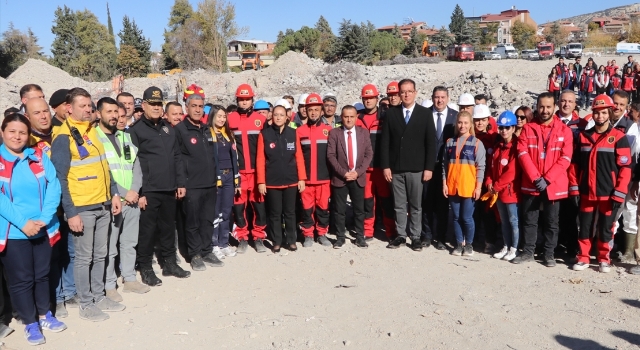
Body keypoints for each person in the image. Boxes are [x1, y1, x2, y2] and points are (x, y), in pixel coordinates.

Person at [50, 87, 124, 321]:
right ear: (69, 108)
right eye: (82, 105)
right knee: (83, 258)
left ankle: (99, 296)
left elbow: (104, 166)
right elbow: (60, 178)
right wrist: (71, 212)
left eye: (89, 105)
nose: (88, 109)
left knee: (100, 254)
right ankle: (85, 303)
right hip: (82, 207)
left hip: (102, 204)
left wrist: (113, 193)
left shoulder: (92, 131)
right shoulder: (63, 137)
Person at [0, 113, 67, 345]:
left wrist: (44, 217)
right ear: (2, 132)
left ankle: (44, 314)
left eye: (22, 132)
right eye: (12, 131)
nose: (17, 136)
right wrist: (24, 223)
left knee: (42, 275)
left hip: (42, 226)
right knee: (22, 279)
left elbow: (54, 185)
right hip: (14, 232)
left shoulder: (38, 155)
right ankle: (30, 322)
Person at [127, 86, 190, 287]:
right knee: (147, 231)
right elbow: (133, 164)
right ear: (143, 105)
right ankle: (145, 266)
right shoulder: (136, 130)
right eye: (152, 104)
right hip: (149, 190)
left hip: (169, 187)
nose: (156, 107)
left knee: (167, 228)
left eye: (158, 104)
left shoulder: (167, 128)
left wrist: (180, 182)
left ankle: (169, 263)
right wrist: (140, 192)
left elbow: (177, 156)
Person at [24, 98, 78, 318]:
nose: (43, 116)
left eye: (45, 111)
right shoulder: (26, 142)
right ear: (28, 117)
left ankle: (71, 290)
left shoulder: (62, 132)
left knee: (70, 252)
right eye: (37, 113)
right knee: (51, 258)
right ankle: (56, 297)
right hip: (45, 212)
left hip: (69, 203)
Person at [94, 97, 150, 301]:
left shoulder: (124, 136)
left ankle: (129, 278)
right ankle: (109, 284)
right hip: (112, 201)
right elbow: (104, 172)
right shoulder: (95, 138)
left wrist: (134, 190)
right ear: (98, 113)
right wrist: (123, 192)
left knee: (129, 242)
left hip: (132, 200)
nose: (114, 115)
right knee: (110, 247)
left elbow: (135, 165)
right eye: (109, 112)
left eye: (116, 112)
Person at [569, 95, 631, 273]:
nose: (600, 116)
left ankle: (604, 258)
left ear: (610, 113)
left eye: (604, 112)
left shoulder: (619, 137)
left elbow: (625, 167)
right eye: (597, 113)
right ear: (592, 114)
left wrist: (619, 192)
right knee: (585, 226)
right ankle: (583, 257)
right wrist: (574, 188)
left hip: (608, 193)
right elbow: (574, 165)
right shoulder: (583, 137)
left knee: (606, 227)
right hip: (587, 192)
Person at [512, 92, 573, 266]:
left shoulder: (565, 130)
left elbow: (566, 158)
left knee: (551, 222)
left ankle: (549, 254)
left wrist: (547, 179)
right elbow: (522, 153)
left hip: (554, 184)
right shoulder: (528, 128)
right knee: (530, 220)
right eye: (541, 107)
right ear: (536, 107)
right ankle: (528, 252)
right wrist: (535, 177)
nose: (544, 110)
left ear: (555, 107)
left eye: (548, 107)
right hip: (532, 183)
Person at [380, 78, 436, 251]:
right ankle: (400, 235)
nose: (406, 94)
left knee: (415, 205)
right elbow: (385, 142)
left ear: (415, 92)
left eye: (409, 91)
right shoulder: (391, 113)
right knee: (399, 204)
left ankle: (416, 236)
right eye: (402, 92)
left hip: (417, 168)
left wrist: (429, 168)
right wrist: (386, 166)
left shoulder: (425, 113)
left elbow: (430, 143)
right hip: (396, 168)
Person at [175, 94, 223, 271]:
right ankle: (194, 254)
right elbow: (177, 159)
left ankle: (207, 250)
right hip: (191, 184)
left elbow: (213, 156)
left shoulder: (206, 129)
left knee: (207, 220)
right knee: (192, 222)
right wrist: (181, 183)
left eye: (200, 106)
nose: (197, 109)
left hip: (209, 184)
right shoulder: (180, 130)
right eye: (194, 106)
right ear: (186, 108)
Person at [256, 105, 306, 252]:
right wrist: (261, 181)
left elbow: (299, 157)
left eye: (281, 115)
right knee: (275, 213)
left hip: (291, 180)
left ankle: (291, 240)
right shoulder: (264, 134)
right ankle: (277, 241)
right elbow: (260, 159)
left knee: (290, 212)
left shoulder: (293, 133)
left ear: (286, 117)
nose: (278, 117)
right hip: (272, 182)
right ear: (272, 116)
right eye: (276, 115)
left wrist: (302, 178)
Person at [227, 84, 268, 253]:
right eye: (241, 99)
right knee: (239, 206)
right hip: (238, 172)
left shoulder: (261, 120)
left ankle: (258, 237)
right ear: (237, 100)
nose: (244, 102)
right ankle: (242, 237)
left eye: (247, 99)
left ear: (252, 100)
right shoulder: (230, 119)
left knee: (259, 205)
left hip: (257, 172)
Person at [328, 105, 373, 248]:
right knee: (340, 210)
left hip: (357, 177)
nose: (348, 119)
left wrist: (357, 172)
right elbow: (331, 155)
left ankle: (360, 236)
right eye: (346, 116)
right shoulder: (334, 133)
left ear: (356, 117)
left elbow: (368, 154)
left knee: (359, 209)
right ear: (341, 117)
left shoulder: (363, 133)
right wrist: (344, 173)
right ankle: (340, 237)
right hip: (341, 178)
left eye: (351, 116)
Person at [442, 111, 486, 256]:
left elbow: (481, 167)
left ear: (470, 125)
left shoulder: (477, 143)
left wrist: (478, 187)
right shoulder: (450, 142)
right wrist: (444, 183)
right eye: (460, 122)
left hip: (469, 186)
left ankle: (469, 244)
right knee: (455, 217)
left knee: (467, 218)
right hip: (453, 186)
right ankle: (459, 243)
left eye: (466, 123)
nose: (462, 125)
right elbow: (445, 165)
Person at [355, 84, 396, 241]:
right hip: (364, 169)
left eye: (371, 98)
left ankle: (390, 231)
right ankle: (368, 231)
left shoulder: (385, 117)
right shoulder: (357, 119)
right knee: (367, 202)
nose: (368, 101)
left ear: (377, 98)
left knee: (386, 201)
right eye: (365, 98)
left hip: (382, 168)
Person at [422, 86, 458, 249]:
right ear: (432, 97)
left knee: (443, 204)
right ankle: (427, 235)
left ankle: (442, 237)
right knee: (426, 202)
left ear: (448, 98)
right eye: (436, 97)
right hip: (427, 167)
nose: (440, 100)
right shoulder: (423, 115)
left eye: (443, 97)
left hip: (447, 168)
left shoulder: (455, 117)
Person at [296, 93, 333, 247]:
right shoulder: (299, 131)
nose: (313, 113)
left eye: (316, 110)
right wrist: (301, 178)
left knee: (323, 208)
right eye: (310, 109)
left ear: (321, 111)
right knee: (306, 208)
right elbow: (297, 157)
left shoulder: (329, 130)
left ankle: (322, 233)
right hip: (306, 180)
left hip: (324, 178)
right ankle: (308, 234)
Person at [486, 111, 520, 261]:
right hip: (498, 192)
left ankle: (514, 247)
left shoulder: (516, 147)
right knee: (504, 221)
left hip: (510, 193)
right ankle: (506, 246)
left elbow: (511, 171)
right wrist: (488, 182)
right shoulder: (498, 147)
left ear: (513, 128)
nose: (504, 131)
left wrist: (497, 186)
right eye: (501, 128)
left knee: (514, 221)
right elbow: (491, 167)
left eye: (507, 128)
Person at [208, 105, 240, 260]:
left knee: (226, 212)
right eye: (219, 116)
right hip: (216, 177)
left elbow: (234, 157)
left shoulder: (228, 134)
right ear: (212, 116)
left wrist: (236, 178)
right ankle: (213, 245)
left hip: (229, 176)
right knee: (216, 212)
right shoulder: (208, 134)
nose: (221, 119)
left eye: (224, 116)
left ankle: (224, 243)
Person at [471, 104, 499, 253]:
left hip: (488, 181)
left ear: (488, 120)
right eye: (477, 120)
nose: (480, 123)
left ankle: (490, 241)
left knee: (488, 213)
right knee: (474, 212)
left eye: (483, 119)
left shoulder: (494, 138)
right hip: (472, 180)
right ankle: (473, 240)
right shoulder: (470, 137)